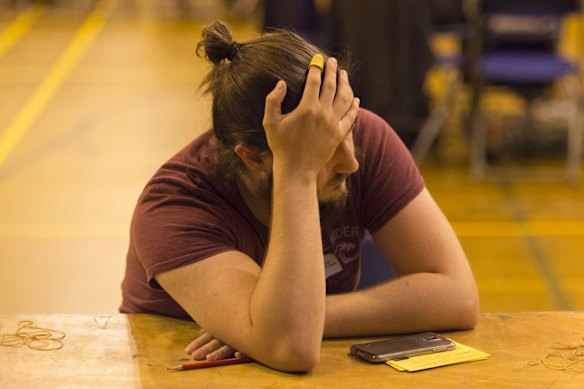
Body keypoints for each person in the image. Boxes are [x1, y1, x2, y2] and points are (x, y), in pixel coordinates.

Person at [120, 20, 479, 372]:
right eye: (321, 149)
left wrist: (270, 325)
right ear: (254, 156)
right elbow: (292, 347)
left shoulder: (368, 140)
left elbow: (459, 297)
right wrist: (298, 172)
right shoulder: (175, 205)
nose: (352, 163)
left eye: (347, 128)